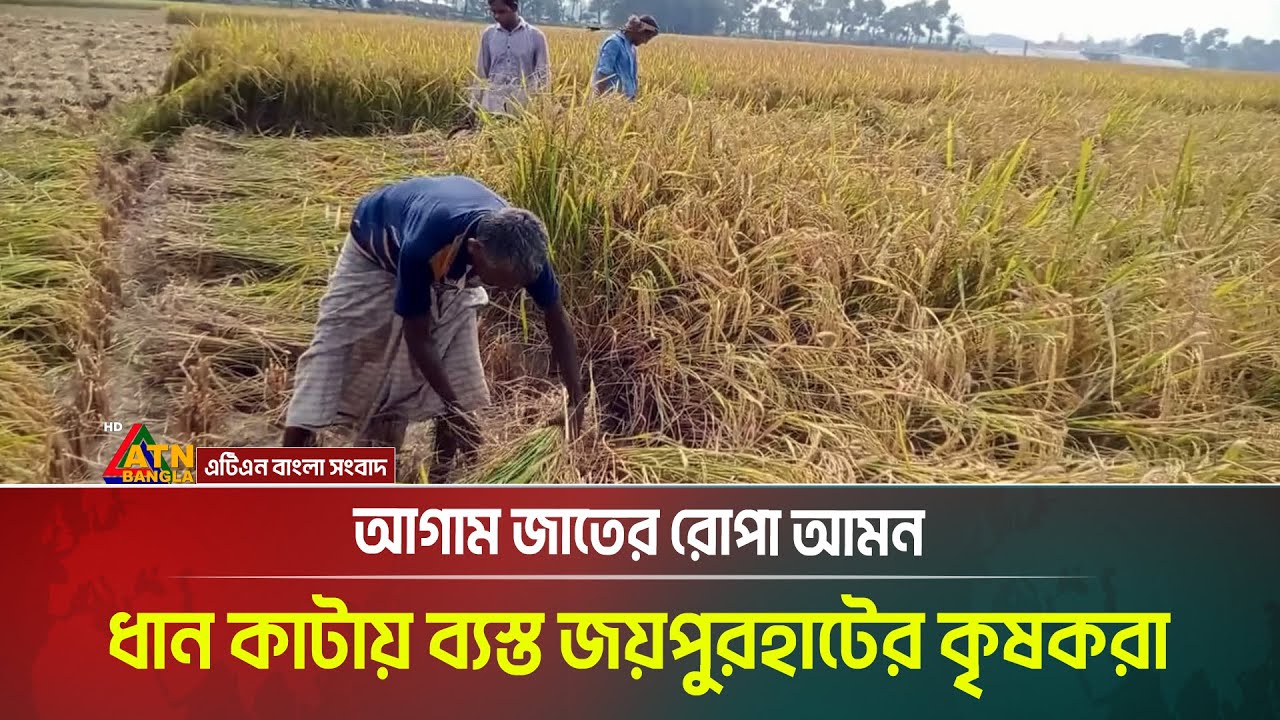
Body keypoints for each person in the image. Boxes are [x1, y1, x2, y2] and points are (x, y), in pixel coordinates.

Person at [281, 175, 585, 483]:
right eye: (504, 281)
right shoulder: (424, 245)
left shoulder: (523, 253)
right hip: (375, 251)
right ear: (476, 250)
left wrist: (575, 398)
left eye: (518, 282)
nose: (511, 289)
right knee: (334, 349)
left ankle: (441, 477)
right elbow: (418, 337)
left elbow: (556, 317)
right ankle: (288, 468)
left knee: (458, 365)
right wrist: (458, 413)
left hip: (449, 261)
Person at [471, 0, 551, 116]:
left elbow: (543, 76)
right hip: (491, 108)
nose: (497, 16)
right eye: (494, 12)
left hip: (522, 110)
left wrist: (543, 109)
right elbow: (481, 73)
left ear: (514, 8)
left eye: (502, 12)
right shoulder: (488, 35)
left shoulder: (536, 37)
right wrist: (474, 106)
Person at [592, 14, 659, 100]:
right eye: (647, 37)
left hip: (625, 102)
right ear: (639, 30)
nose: (645, 42)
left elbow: (633, 78)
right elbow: (603, 73)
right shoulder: (614, 43)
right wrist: (597, 100)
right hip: (610, 100)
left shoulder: (632, 48)